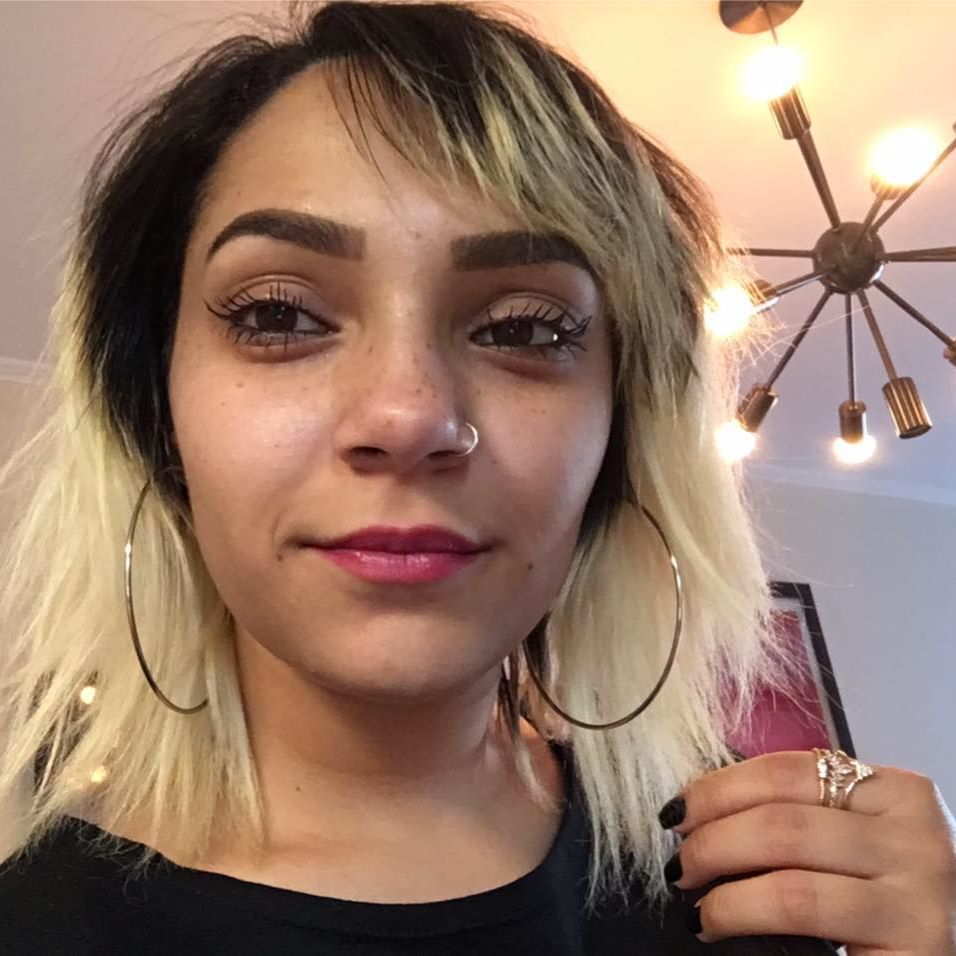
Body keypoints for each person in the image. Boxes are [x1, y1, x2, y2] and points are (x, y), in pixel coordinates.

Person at [1, 2, 952, 954]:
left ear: (622, 439)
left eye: (525, 328)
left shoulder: (746, 884)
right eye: (280, 314)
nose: (409, 415)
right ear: (153, 411)